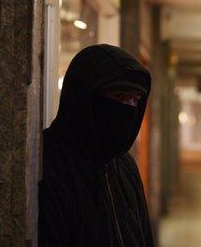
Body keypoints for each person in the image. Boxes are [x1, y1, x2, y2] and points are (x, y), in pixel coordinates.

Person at [39, 44, 155, 247]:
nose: (128, 109)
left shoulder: (124, 165)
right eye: (119, 96)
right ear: (85, 97)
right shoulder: (48, 164)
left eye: (134, 100)